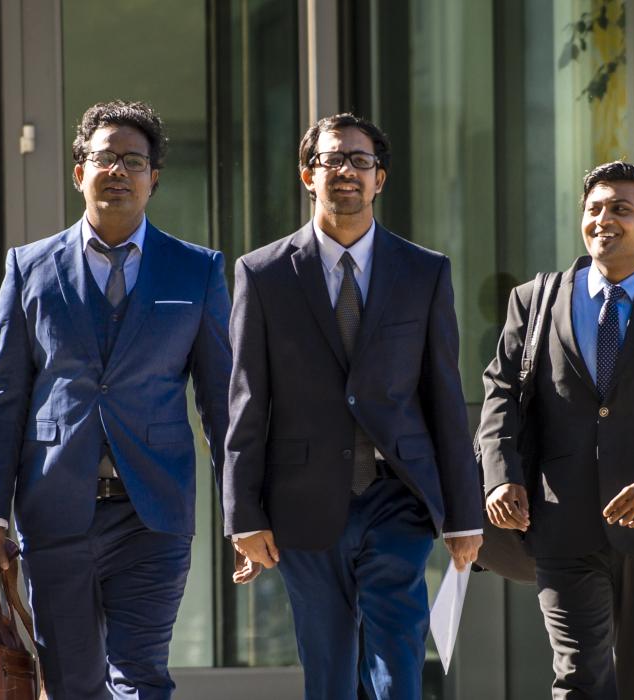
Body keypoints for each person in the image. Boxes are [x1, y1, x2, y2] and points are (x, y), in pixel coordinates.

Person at [0, 101, 230, 699]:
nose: (118, 171)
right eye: (104, 158)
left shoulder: (196, 271)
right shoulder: (29, 268)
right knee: (72, 684)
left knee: (141, 677)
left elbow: (220, 404)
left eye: (133, 161)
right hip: (56, 508)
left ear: (154, 178)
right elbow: (4, 398)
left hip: (154, 513)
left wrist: (244, 512)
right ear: (77, 171)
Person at [222, 113, 484, 699]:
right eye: (332, 160)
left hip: (399, 497)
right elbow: (246, 401)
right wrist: (243, 514)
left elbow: (443, 394)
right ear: (306, 176)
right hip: (302, 504)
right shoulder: (261, 274)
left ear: (380, 179)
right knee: (330, 669)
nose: (345, 171)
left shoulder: (425, 271)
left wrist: (464, 514)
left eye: (360, 161)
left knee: (398, 662)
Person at [476, 161, 634, 699]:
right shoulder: (535, 300)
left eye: (621, 209)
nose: (604, 220)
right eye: (594, 209)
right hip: (561, 522)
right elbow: (500, 392)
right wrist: (501, 477)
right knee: (580, 676)